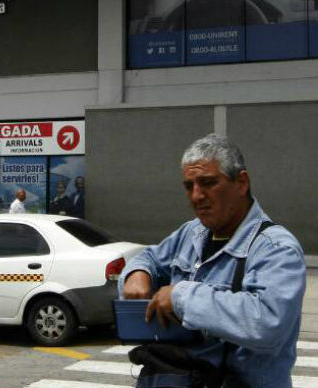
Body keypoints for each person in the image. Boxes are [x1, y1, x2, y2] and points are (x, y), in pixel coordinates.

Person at [120, 133, 306, 387]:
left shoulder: (275, 248)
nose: (196, 196)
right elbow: (150, 256)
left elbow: (267, 322)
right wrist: (137, 273)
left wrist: (181, 297)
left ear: (241, 183)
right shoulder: (191, 233)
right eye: (189, 186)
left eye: (208, 183)